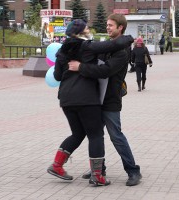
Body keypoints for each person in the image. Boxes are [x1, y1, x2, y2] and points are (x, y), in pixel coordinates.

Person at [47, 19, 133, 187]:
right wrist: (130, 38)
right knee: (95, 135)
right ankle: (97, 175)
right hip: (86, 98)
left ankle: (57, 166)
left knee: (78, 133)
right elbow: (112, 46)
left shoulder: (62, 51)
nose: (89, 30)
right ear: (80, 32)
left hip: (66, 99)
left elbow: (57, 76)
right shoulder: (86, 46)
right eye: (86, 28)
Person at [68, 13, 142, 186]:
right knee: (95, 135)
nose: (107, 27)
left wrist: (81, 67)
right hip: (95, 98)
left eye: (111, 25)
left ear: (120, 28)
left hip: (110, 100)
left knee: (116, 136)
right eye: (107, 25)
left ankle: (133, 171)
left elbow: (105, 71)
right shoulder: (108, 46)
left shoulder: (122, 51)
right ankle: (98, 170)